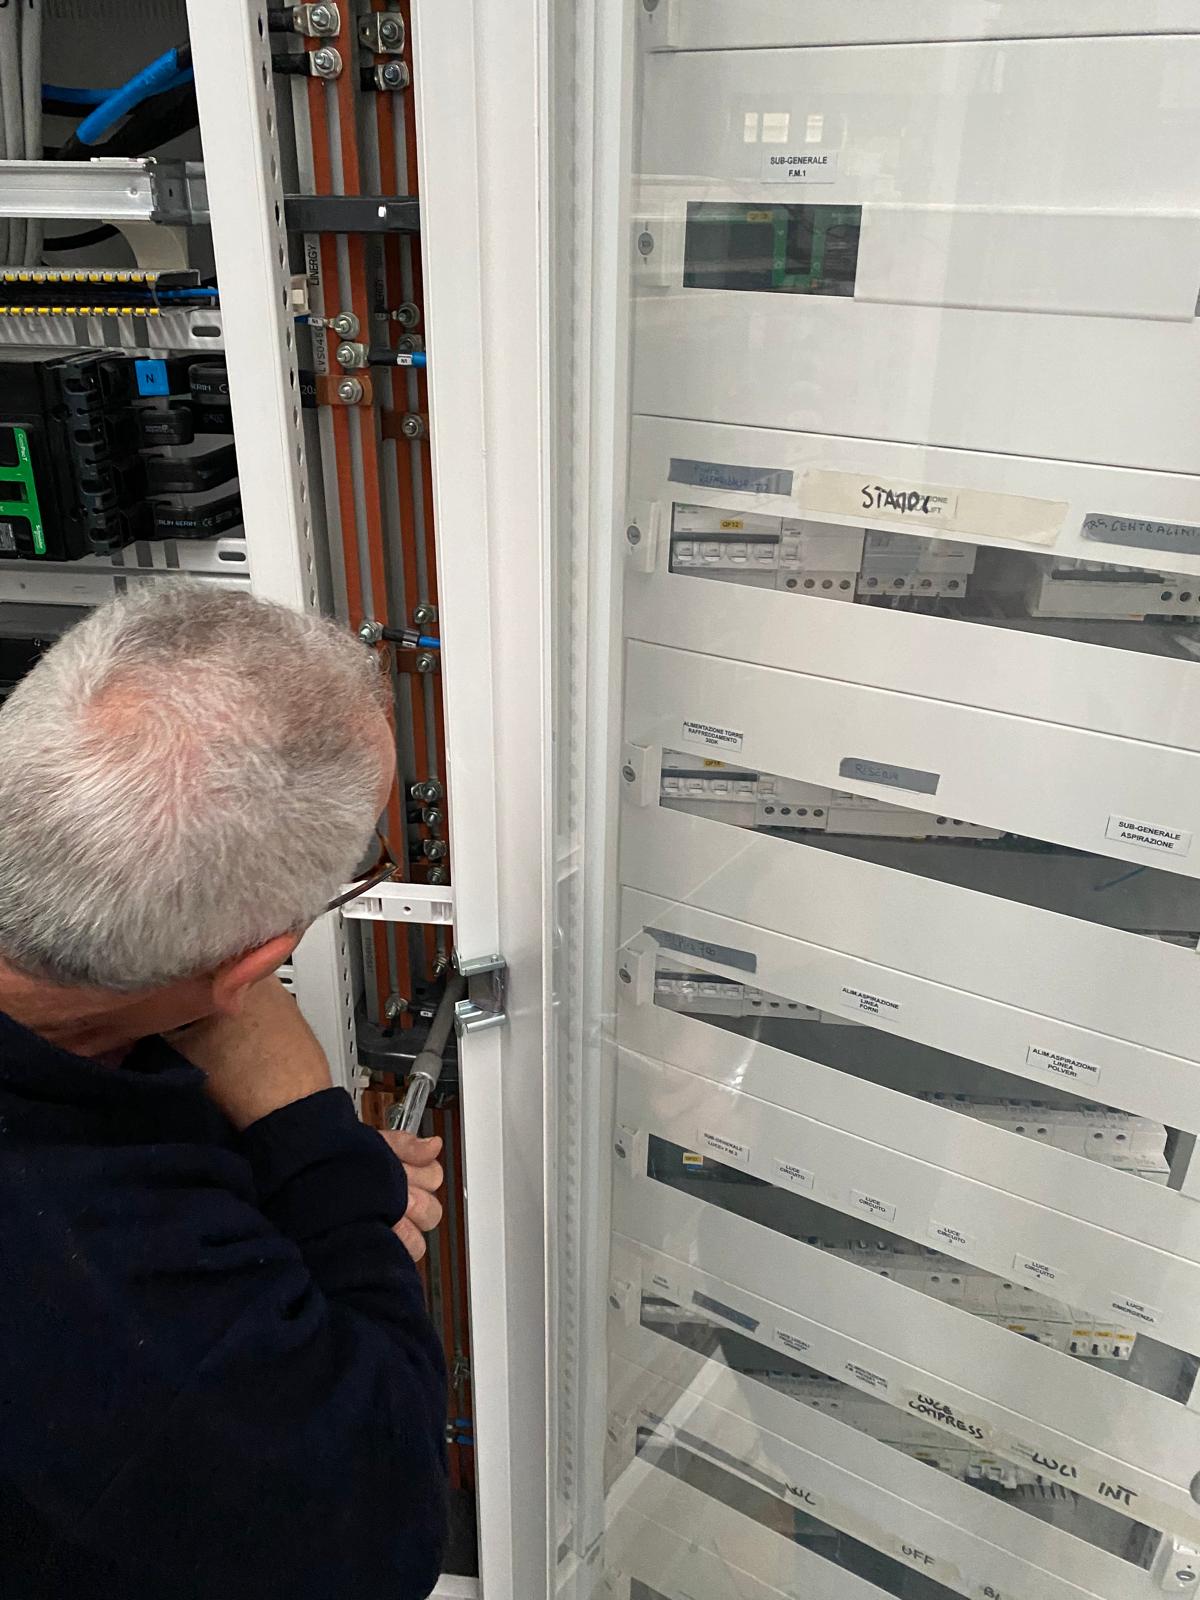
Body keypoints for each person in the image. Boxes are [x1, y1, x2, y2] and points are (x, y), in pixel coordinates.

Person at [0, 585, 449, 1598]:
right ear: (251, 971)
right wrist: (315, 1149)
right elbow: (383, 1529)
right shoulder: (123, 1317)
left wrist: (292, 1196)